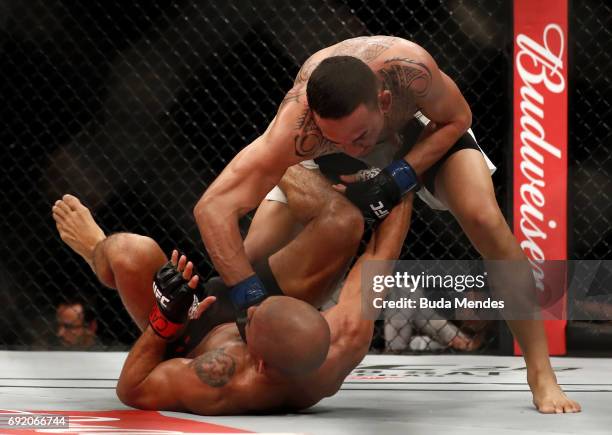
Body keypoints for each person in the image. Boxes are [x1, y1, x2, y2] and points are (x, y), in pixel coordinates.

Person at [194, 35, 580, 413]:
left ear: (384, 100)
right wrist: (249, 299)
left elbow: (459, 117)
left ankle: (541, 372)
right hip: (321, 158)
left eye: (360, 136)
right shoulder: (298, 129)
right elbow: (212, 208)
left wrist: (397, 176)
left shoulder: (412, 71)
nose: (355, 150)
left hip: (419, 133)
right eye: (339, 138)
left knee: (485, 218)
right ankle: (214, 338)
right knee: (252, 255)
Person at [51, 188, 413, 415]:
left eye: (251, 318)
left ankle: (94, 246)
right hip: (270, 308)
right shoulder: (342, 345)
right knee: (344, 223)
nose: (250, 307)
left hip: (187, 331)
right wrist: (404, 176)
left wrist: (166, 319)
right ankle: (289, 159)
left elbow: (131, 389)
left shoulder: (223, 379)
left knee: (128, 251)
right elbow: (382, 254)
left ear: (257, 361)